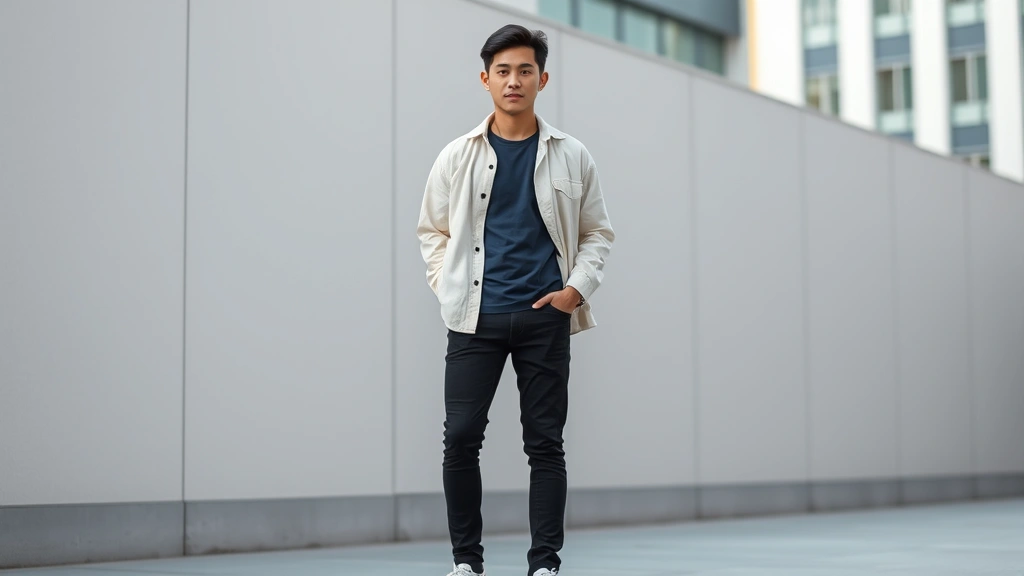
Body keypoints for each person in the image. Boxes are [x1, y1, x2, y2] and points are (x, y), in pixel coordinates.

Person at [417, 23, 615, 576]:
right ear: (485, 80)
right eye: (502, 71)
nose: (513, 81)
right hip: (473, 318)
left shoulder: (572, 155)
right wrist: (448, 284)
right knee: (459, 440)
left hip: (543, 318)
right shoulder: (457, 156)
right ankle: (466, 563)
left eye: (524, 70)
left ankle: (544, 565)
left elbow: (598, 231)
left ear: (542, 79)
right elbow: (431, 231)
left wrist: (574, 290)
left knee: (545, 444)